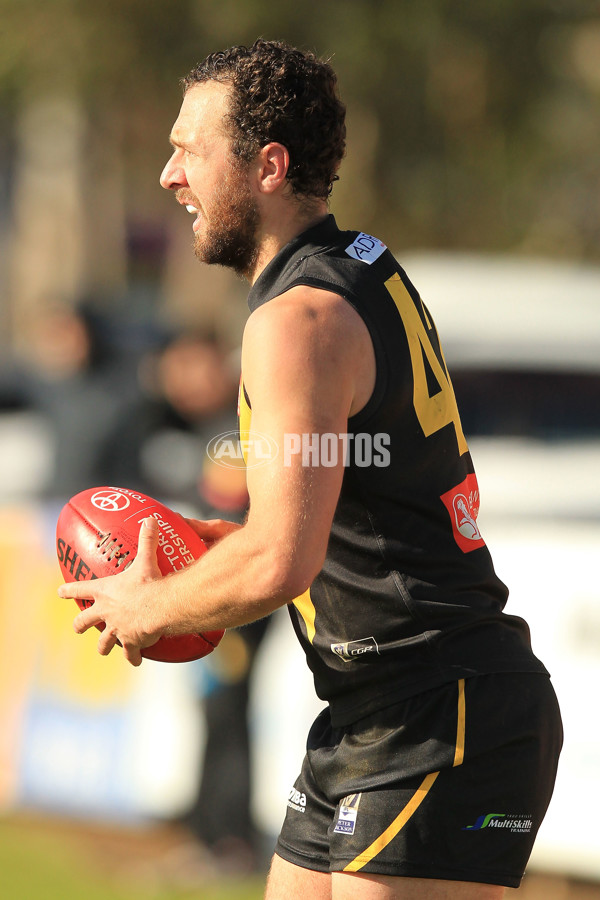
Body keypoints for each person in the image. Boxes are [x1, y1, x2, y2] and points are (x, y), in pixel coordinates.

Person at [59, 40, 563, 899]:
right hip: (373, 711)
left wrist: (149, 605)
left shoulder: (297, 321)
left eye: (189, 148)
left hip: (444, 708)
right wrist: (204, 545)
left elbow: (277, 564)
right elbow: (325, 515)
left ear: (268, 165)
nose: (167, 174)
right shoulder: (355, 265)